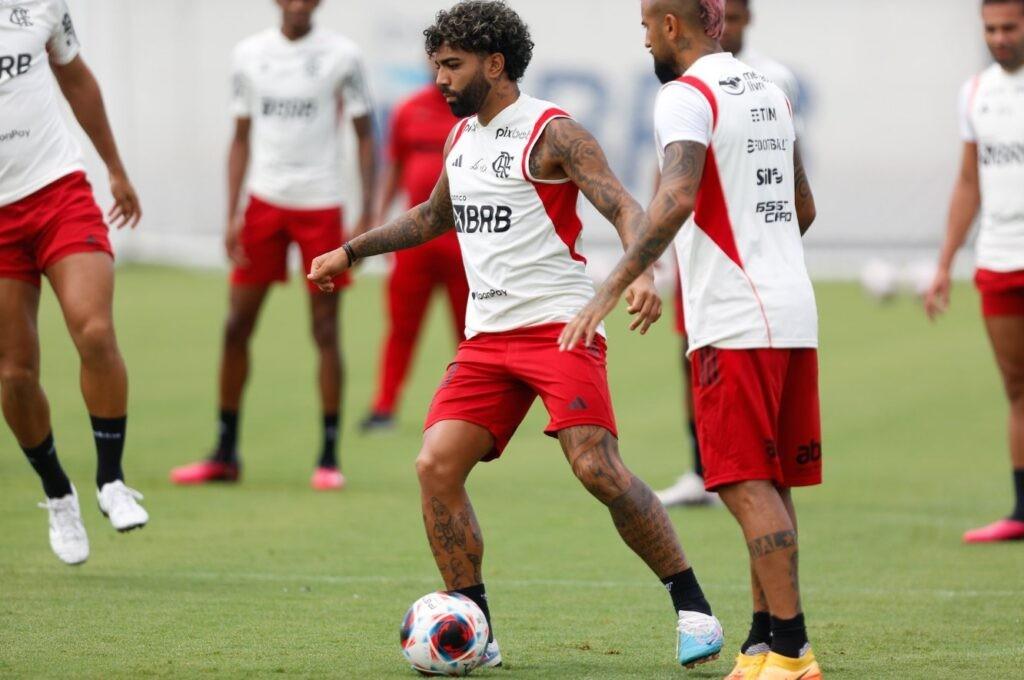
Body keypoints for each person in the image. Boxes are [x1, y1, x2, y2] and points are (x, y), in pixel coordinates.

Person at [309, 0, 724, 669]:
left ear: (495, 64)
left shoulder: (552, 132)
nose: (440, 79)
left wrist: (642, 274)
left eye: (453, 65)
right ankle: (476, 629)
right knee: (435, 467)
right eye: (437, 66)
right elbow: (431, 217)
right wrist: (351, 251)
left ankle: (693, 607)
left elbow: (624, 205)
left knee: (596, 468)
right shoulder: (460, 139)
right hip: (486, 341)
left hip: (559, 328)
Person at [561, 0, 822, 677]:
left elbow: (676, 197)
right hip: (791, 307)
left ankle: (793, 650)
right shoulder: (771, 88)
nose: (646, 40)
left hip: (735, 316)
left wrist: (614, 285)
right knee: (770, 480)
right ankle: (763, 642)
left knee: (740, 481)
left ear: (671, 26)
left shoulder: (685, 95)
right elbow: (802, 208)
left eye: (646, 27)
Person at [169, 0, 377, 491]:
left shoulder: (342, 56)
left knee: (325, 330)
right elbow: (240, 136)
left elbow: (366, 135)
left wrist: (366, 211)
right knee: (236, 325)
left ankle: (328, 457)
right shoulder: (248, 54)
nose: (299, 4)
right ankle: (225, 453)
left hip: (321, 205)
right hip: (263, 204)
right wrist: (231, 212)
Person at [0, 0, 148, 565]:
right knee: (15, 373)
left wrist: (115, 168)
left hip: (58, 192)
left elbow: (77, 79)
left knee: (94, 331)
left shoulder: (41, 5)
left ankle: (111, 480)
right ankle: (58, 493)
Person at [658, 0, 804, 508]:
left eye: (736, 17)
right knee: (691, 353)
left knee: (755, 482)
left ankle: (737, 466)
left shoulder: (771, 80)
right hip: (712, 253)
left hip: (740, 267)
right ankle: (701, 468)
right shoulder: (682, 82)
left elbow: (785, 173)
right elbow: (673, 174)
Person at [925, 0, 1024, 544]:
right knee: (1016, 386)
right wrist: (945, 263)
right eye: (991, 28)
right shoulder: (976, 92)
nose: (999, 37)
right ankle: (1021, 510)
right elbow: (969, 181)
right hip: (999, 257)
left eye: (1010, 27)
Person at [361, 74, 469, 433]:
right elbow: (394, 165)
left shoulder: (474, 111)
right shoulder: (409, 109)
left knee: (471, 332)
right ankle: (384, 406)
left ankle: (472, 409)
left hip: (464, 242)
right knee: (401, 327)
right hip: (414, 242)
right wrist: (380, 220)